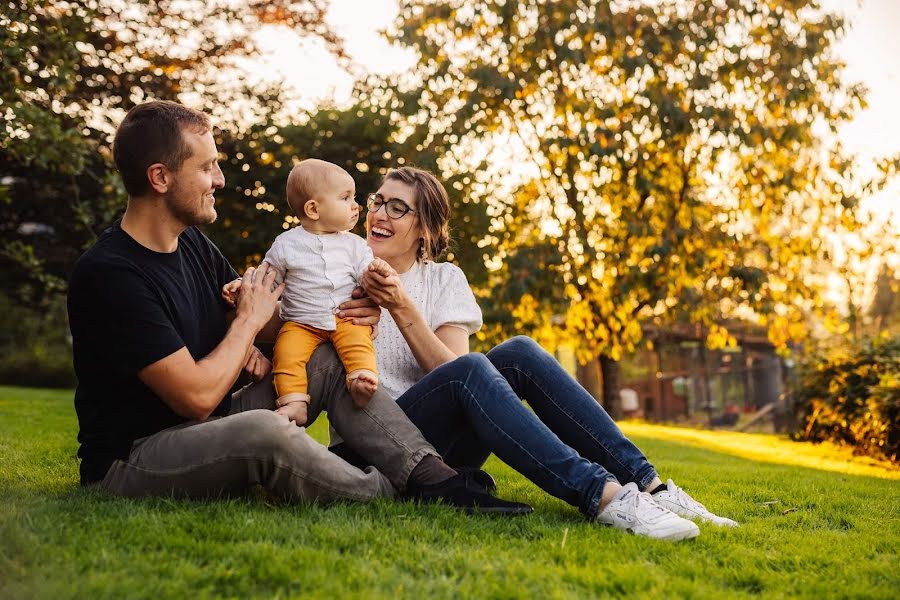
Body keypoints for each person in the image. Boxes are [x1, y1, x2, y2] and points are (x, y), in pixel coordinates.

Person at [66, 100, 530, 515]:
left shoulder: (194, 248)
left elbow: (265, 321)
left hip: (213, 418)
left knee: (327, 358)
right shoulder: (113, 274)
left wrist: (338, 311)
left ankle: (435, 478)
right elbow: (196, 395)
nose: (220, 180)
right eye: (207, 167)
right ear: (160, 177)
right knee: (265, 433)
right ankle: (385, 491)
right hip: (137, 456)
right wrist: (244, 326)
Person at [331, 166, 739, 541]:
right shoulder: (340, 266)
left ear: (425, 228)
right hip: (381, 441)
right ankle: (604, 496)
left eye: (397, 207)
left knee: (519, 352)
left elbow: (450, 371)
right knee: (472, 369)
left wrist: (401, 307)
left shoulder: (444, 279)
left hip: (444, 445)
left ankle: (653, 488)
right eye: (377, 201)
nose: (379, 214)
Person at [222, 159, 392, 419]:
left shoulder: (354, 245)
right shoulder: (286, 244)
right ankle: (294, 401)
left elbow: (365, 272)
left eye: (354, 197)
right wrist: (242, 287)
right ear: (313, 209)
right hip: (300, 322)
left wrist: (376, 273)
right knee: (286, 354)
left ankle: (361, 378)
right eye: (345, 198)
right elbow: (267, 278)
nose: (355, 206)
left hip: (344, 316)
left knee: (358, 342)